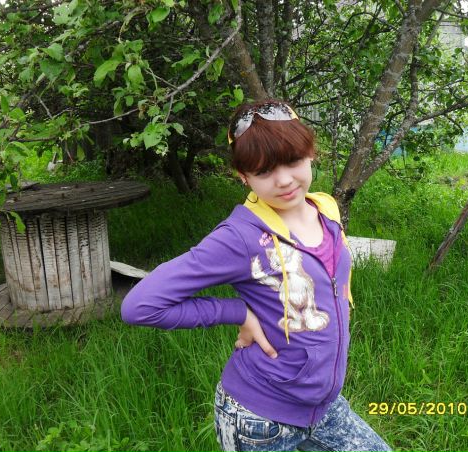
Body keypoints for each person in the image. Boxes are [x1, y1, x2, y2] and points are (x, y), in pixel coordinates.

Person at [121, 100, 392, 452]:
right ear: (243, 176)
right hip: (259, 420)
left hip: (323, 408)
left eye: (293, 161)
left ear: (311, 153)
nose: (284, 180)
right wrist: (238, 312)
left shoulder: (325, 208)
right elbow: (140, 306)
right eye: (264, 172)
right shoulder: (240, 237)